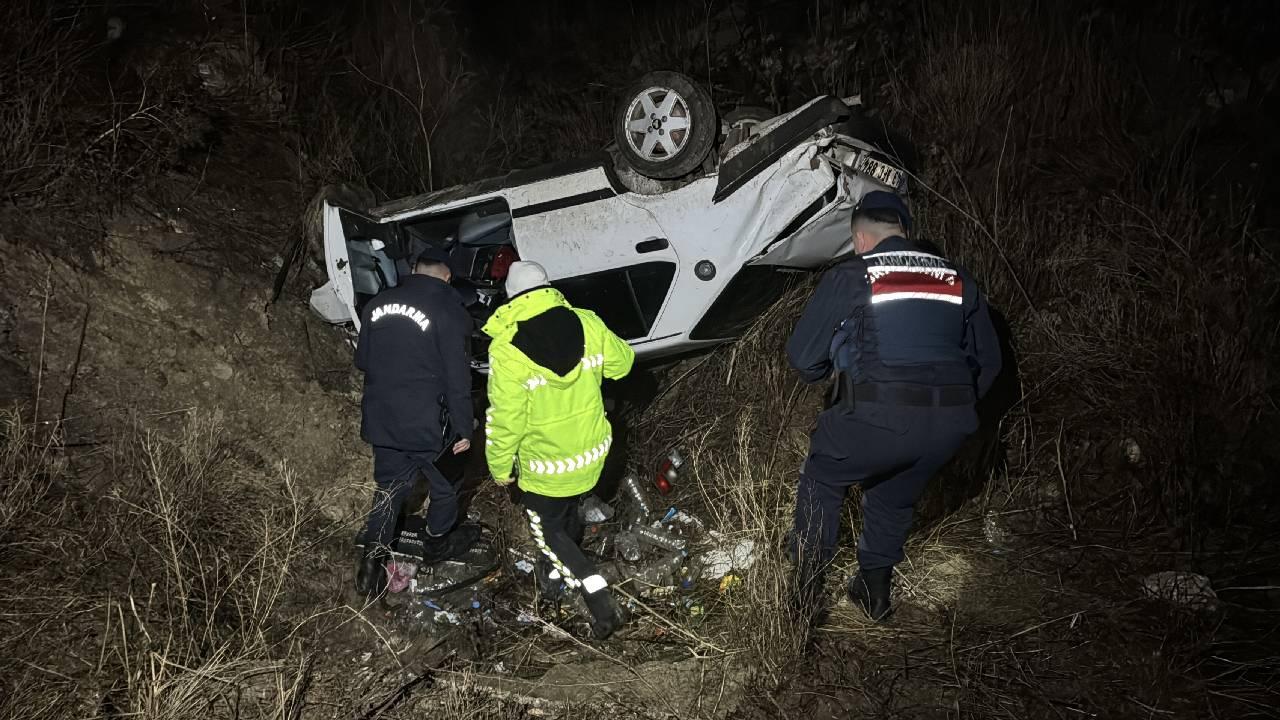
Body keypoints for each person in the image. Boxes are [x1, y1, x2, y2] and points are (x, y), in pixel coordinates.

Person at [785, 190, 1003, 623]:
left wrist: (828, 377)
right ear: (905, 231)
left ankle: (804, 596)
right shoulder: (959, 279)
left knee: (824, 476)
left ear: (861, 239)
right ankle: (874, 592)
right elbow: (990, 363)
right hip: (951, 423)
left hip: (878, 413)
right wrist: (949, 410)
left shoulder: (856, 274)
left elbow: (802, 356)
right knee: (892, 494)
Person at [481, 261, 635, 640]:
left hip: (547, 468)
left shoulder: (507, 349)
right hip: (592, 454)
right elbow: (624, 363)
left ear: (512, 298)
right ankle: (551, 576)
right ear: (548, 287)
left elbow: (505, 420)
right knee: (568, 513)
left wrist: (500, 469)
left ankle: (598, 597)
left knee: (548, 531)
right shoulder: (586, 321)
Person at [353, 246, 479, 599]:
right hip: (430, 424)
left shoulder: (377, 305)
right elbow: (458, 379)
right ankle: (437, 544)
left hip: (385, 420)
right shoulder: (450, 312)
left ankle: (370, 564)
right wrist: (464, 429)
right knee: (446, 486)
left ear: (414, 268)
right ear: (448, 276)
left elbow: (363, 360)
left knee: (390, 490)